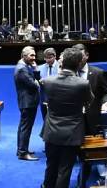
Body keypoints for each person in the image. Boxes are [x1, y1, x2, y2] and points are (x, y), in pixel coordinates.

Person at [41, 47, 93, 188]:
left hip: (51, 130)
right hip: (72, 132)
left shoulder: (47, 81)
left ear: (61, 63)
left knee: (51, 165)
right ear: (77, 64)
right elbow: (89, 101)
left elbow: (47, 100)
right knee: (65, 169)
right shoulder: (83, 84)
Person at [72, 43, 107, 135]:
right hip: (74, 119)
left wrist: (105, 102)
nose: (78, 59)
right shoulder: (70, 73)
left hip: (93, 117)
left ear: (87, 55)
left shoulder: (98, 73)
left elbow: (105, 93)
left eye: (80, 56)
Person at [13, 46, 40, 161]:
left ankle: (21, 149)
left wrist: (35, 72)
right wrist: (36, 71)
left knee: (23, 127)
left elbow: (35, 81)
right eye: (31, 55)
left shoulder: (24, 67)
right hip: (28, 102)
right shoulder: (22, 69)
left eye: (34, 55)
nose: (34, 58)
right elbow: (35, 84)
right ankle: (23, 153)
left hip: (27, 102)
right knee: (26, 128)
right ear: (24, 56)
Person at [38, 48, 58, 119]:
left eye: (50, 58)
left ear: (55, 56)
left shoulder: (61, 67)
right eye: (46, 58)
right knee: (45, 119)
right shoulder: (39, 68)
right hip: (44, 98)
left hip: (57, 98)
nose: (48, 60)